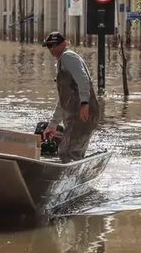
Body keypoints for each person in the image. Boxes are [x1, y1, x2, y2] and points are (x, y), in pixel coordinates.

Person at [42, 31, 100, 162]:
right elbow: (63, 100)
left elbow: (83, 79)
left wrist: (84, 103)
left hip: (83, 115)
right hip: (74, 118)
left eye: (55, 46)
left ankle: (70, 178)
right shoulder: (62, 62)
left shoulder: (68, 57)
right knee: (69, 151)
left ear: (65, 43)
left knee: (68, 152)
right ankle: (75, 173)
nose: (52, 49)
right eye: (49, 46)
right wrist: (53, 124)